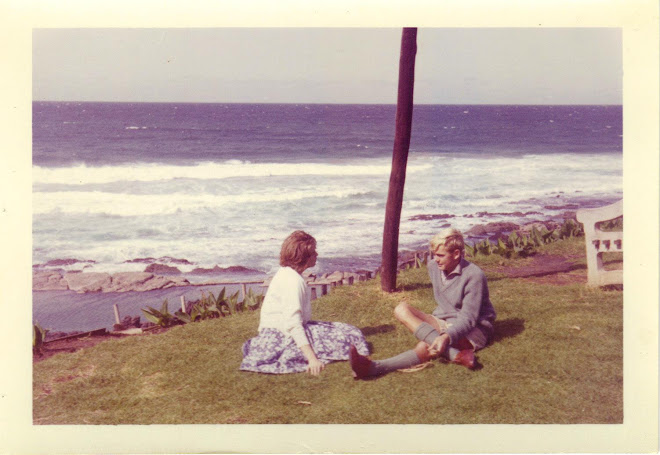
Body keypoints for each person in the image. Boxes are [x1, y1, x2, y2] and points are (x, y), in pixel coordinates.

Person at [349, 228, 496, 379]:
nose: (436, 259)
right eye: (434, 255)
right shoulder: (434, 267)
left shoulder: (474, 275)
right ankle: (456, 355)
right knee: (401, 309)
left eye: (440, 255)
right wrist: (441, 333)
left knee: (424, 346)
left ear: (456, 254)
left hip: (474, 330)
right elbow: (446, 304)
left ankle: (373, 368)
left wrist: (445, 337)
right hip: (445, 320)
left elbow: (468, 319)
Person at [240, 230, 369, 375]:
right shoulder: (293, 282)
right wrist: (312, 359)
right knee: (349, 336)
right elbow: (293, 324)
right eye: (314, 252)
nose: (317, 255)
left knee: (348, 331)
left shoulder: (285, 273)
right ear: (303, 257)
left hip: (274, 331)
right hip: (283, 335)